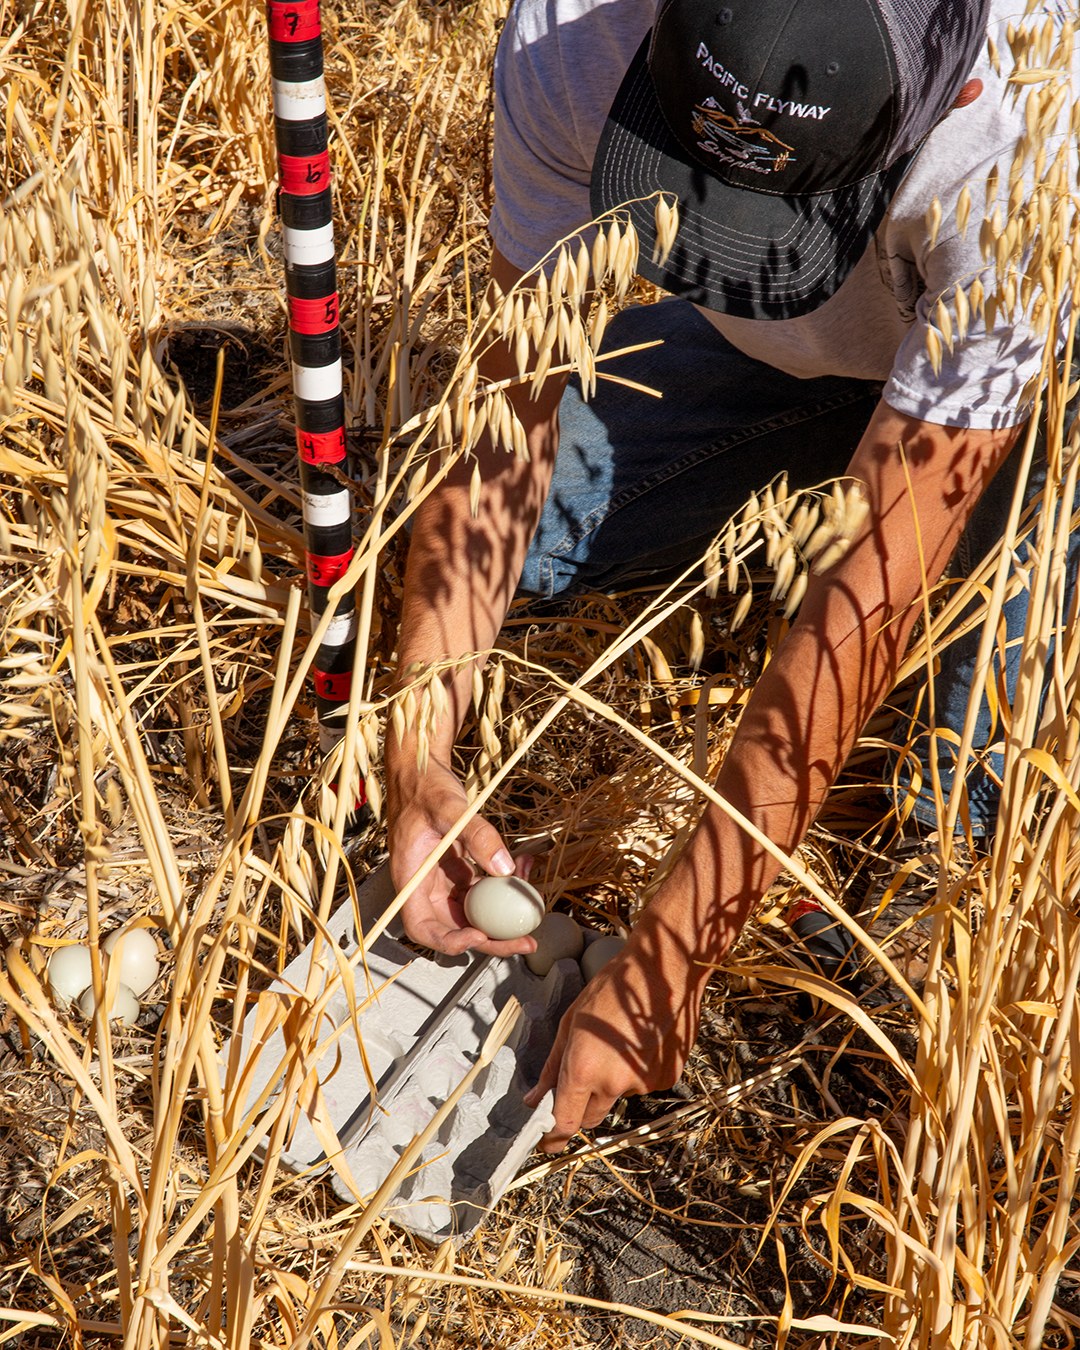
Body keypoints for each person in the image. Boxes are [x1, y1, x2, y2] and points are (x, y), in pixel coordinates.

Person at [385, 0, 1073, 1152]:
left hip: (1041, 373)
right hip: (834, 340)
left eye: (782, 213)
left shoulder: (1024, 140)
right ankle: (829, 404)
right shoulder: (574, 36)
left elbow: (867, 592)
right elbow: (506, 421)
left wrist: (669, 959)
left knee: (951, 835)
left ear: (940, 101)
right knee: (520, 549)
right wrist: (415, 754)